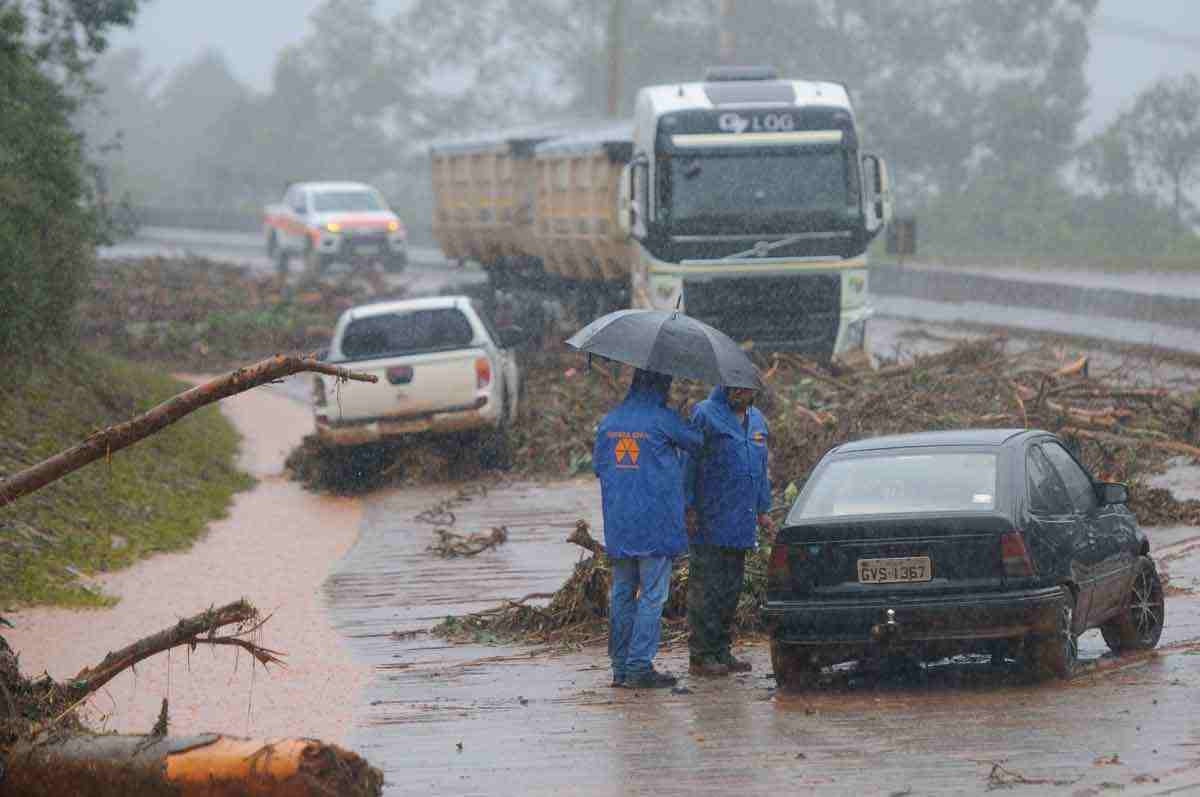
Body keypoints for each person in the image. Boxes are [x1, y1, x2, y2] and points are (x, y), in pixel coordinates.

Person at [594, 368, 703, 689]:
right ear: (661, 386)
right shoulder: (662, 419)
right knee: (653, 595)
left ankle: (620, 667)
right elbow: (698, 443)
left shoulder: (610, 422)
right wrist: (682, 419)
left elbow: (600, 468)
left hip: (620, 523)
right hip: (654, 523)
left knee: (623, 593)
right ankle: (640, 665)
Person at [685, 385, 774, 677]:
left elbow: (760, 469)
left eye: (747, 387)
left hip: (742, 521)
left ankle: (722, 650)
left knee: (730, 589)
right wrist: (688, 507)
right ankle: (701, 655)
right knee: (706, 588)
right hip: (710, 518)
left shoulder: (758, 420)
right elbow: (688, 463)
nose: (741, 391)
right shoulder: (704, 414)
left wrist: (763, 510)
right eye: (735, 386)